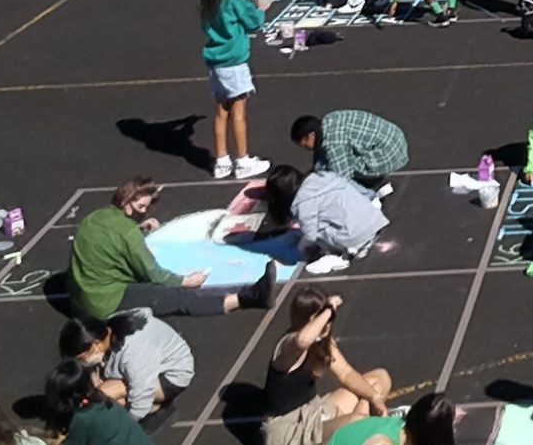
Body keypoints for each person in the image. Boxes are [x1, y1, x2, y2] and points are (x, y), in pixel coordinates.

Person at [66, 177, 280, 321]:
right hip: (103, 304)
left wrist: (138, 229)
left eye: (147, 207)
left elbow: (113, 239)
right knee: (176, 297)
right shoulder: (128, 235)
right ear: (125, 201)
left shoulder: (94, 218)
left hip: (81, 297)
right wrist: (184, 281)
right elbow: (153, 274)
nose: (144, 211)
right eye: (141, 207)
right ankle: (248, 298)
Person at [259, 285, 394, 445]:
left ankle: (356, 438)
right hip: (291, 430)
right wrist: (329, 309)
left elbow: (346, 374)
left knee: (380, 379)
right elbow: (302, 341)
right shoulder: (288, 346)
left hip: (313, 413)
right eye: (324, 318)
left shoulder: (322, 342)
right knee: (359, 422)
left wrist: (374, 398)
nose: (329, 323)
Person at [201, 0, 273, 180]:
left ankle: (222, 161)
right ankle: (242, 161)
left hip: (216, 60)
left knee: (222, 110)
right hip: (234, 60)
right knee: (239, 112)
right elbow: (253, 23)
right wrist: (262, 8)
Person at [59, 309, 193, 423]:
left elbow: (142, 393)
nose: (81, 362)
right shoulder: (109, 329)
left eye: (81, 358)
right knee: (95, 388)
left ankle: (155, 408)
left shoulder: (133, 351)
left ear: (96, 345)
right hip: (148, 366)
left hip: (171, 376)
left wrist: (128, 424)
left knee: (103, 394)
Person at [258, 162, 388, 275]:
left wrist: (299, 247)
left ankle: (342, 256)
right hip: (375, 219)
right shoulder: (322, 176)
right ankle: (359, 241)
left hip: (357, 236)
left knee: (314, 230)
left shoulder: (302, 204)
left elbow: (310, 236)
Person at [293, 109, 409, 189]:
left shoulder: (333, 143)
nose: (305, 148)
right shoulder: (330, 120)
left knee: (342, 172)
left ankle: (371, 191)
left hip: (390, 153)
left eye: (304, 144)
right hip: (395, 136)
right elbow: (320, 152)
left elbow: (342, 177)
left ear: (311, 135)